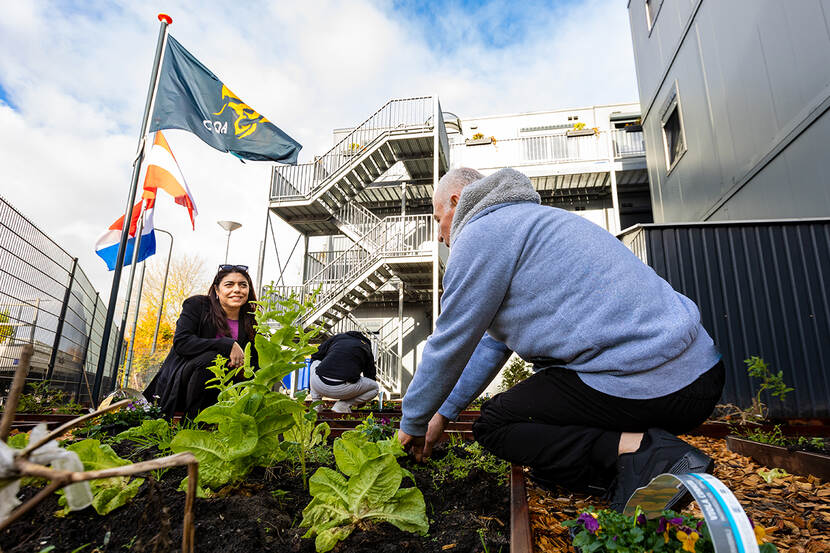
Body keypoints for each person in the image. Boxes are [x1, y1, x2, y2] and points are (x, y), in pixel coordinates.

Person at [398, 167, 725, 512]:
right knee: (543, 440)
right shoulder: (533, 222)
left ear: (456, 202)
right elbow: (492, 344)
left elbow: (449, 341)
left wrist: (412, 423)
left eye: (438, 219)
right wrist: (443, 412)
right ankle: (623, 474)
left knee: (496, 425)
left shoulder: (481, 233)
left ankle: (649, 455)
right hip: (699, 376)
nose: (440, 236)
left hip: (654, 380)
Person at [143, 264, 259, 419]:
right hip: (184, 381)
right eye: (229, 285)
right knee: (212, 359)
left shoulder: (252, 320)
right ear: (217, 290)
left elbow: (256, 359)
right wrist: (226, 344)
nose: (237, 289)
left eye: (243, 285)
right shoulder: (198, 306)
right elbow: (182, 342)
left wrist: (245, 368)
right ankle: (194, 422)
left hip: (229, 387)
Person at [309, 331, 379, 413]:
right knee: (374, 388)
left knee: (315, 362)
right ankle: (342, 405)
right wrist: (361, 398)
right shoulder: (365, 345)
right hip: (343, 389)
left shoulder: (337, 337)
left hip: (318, 384)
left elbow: (315, 355)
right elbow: (370, 374)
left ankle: (316, 405)